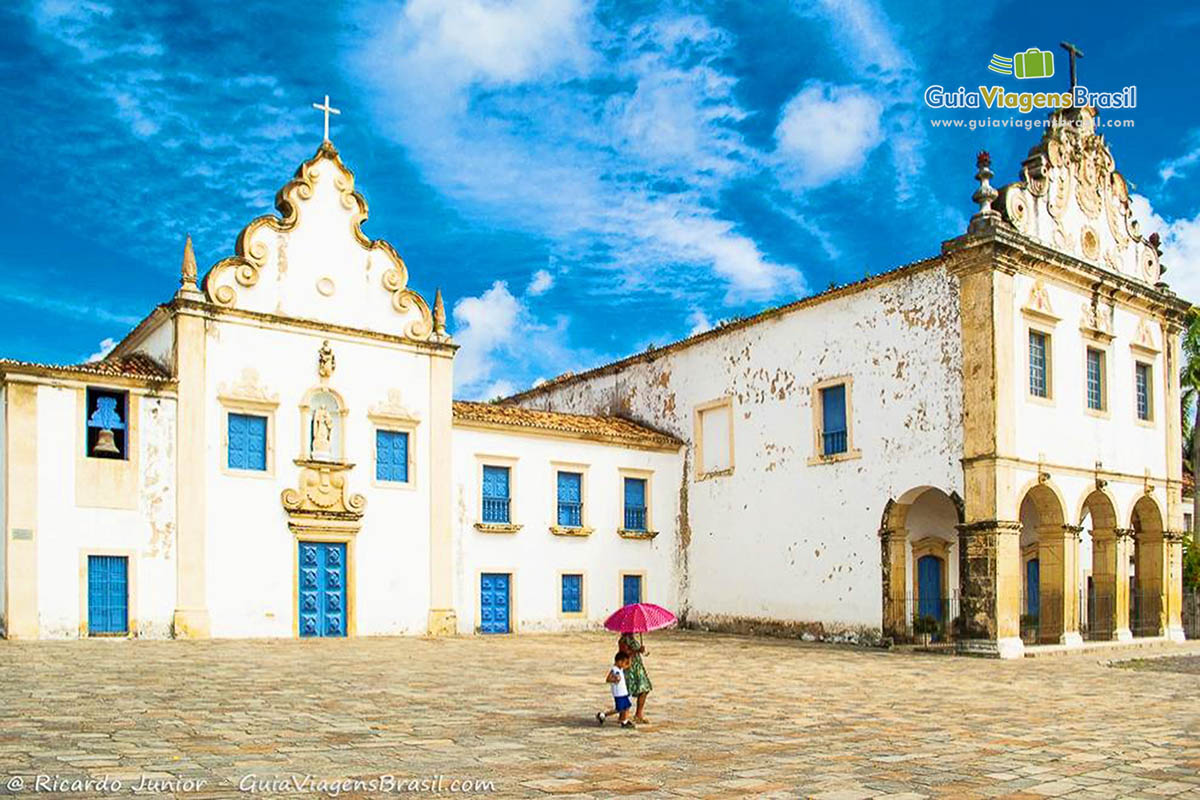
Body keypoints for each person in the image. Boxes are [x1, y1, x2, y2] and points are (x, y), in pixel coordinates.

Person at [618, 632, 652, 724]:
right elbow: (624, 653)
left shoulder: (633, 639)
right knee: (627, 691)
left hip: (637, 667)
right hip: (629, 668)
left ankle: (638, 714)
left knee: (644, 688)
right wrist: (637, 651)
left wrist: (643, 651)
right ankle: (623, 716)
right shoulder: (623, 640)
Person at [596, 651, 634, 729]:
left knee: (626, 706)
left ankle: (625, 720)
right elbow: (608, 679)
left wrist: (630, 657)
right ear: (619, 662)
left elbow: (628, 666)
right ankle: (603, 715)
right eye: (624, 662)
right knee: (619, 709)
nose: (625, 664)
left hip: (623, 692)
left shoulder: (620, 668)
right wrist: (615, 679)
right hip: (619, 693)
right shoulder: (615, 670)